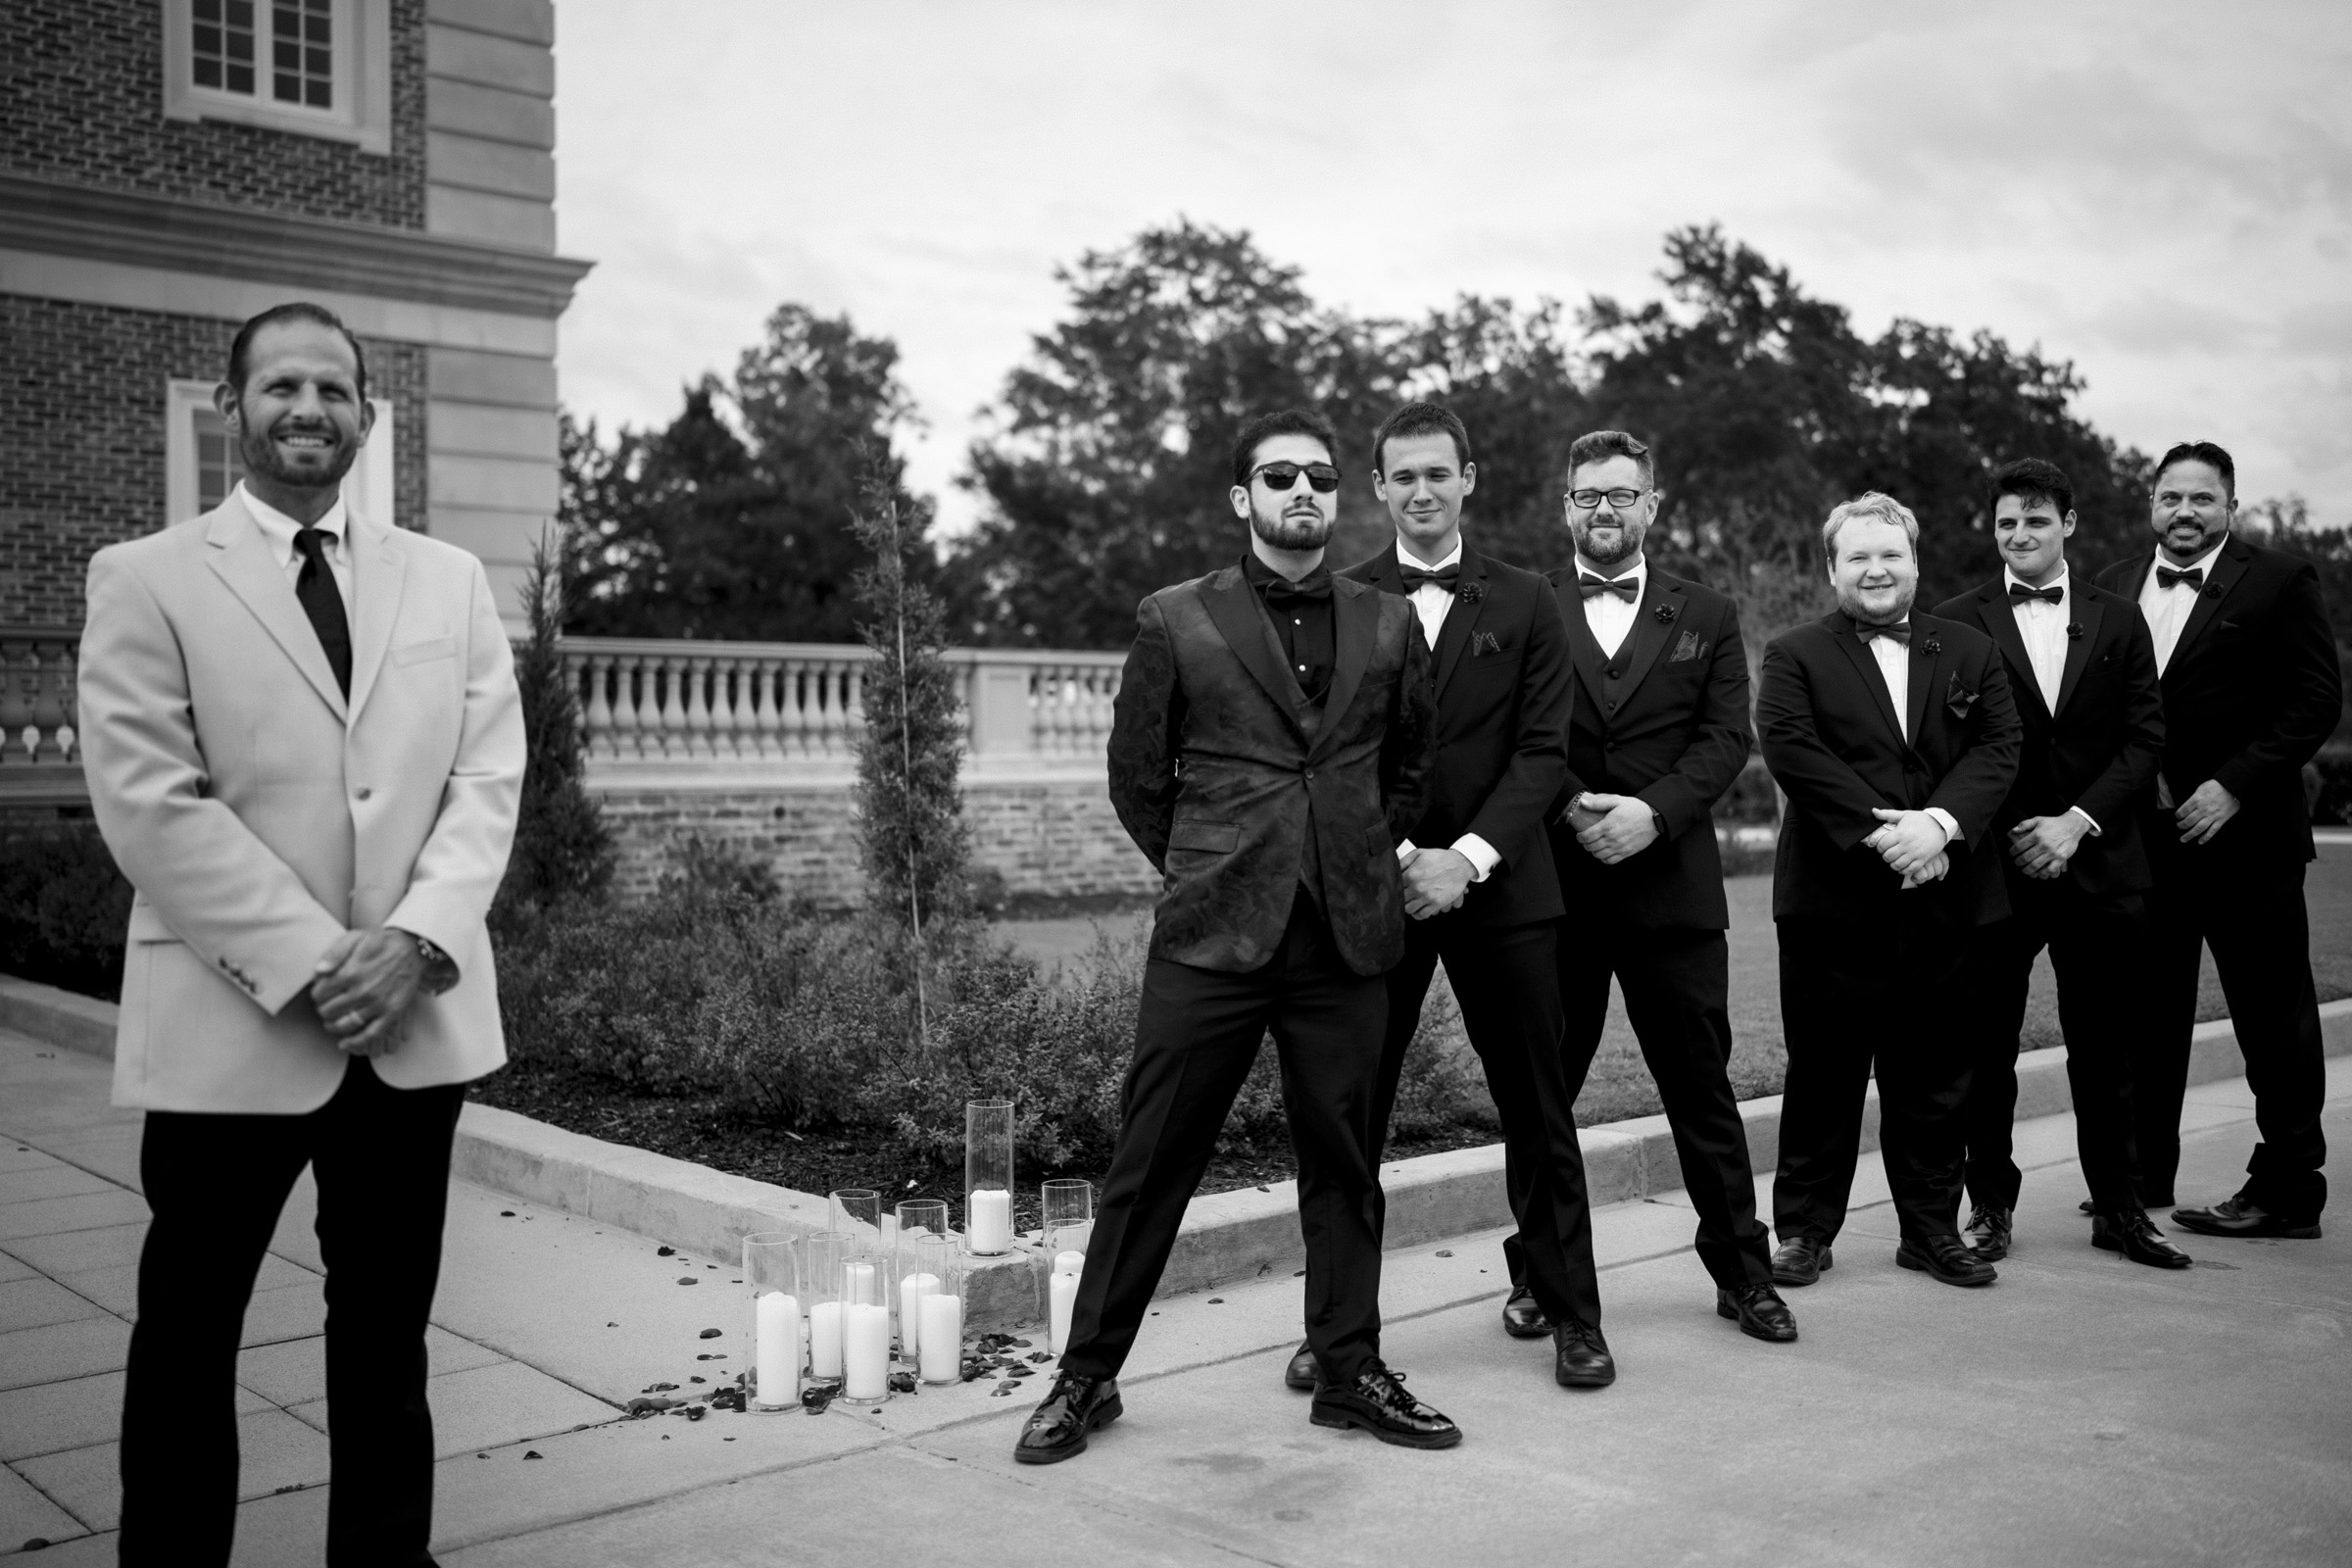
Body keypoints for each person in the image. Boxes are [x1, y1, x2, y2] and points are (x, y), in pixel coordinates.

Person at [77, 302, 525, 1568]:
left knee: (386, 1343)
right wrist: (327, 962)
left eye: (333, 389)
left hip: (414, 1025)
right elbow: (152, 808)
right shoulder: (146, 579)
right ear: (233, 409)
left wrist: (417, 942)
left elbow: (487, 777)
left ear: (368, 417)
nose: (308, 409)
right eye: (281, 386)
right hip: (236, 1025)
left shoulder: (448, 582)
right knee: (187, 1340)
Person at [1016, 409, 1446, 1464]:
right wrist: (1212, 862)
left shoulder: (1388, 623)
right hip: (1211, 937)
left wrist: (1348, 851)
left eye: (1320, 477)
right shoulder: (1174, 618)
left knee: (1345, 1163)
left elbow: (1412, 769)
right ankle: (1086, 1376)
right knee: (1151, 1161)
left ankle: (1347, 1369)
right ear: (1240, 497)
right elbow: (1136, 777)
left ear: (1341, 497)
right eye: (1279, 475)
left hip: (1344, 939)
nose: (1303, 490)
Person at [1333, 402, 1612, 1390]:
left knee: (1539, 1110)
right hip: (1383, 891)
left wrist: (1469, 856)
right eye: (1402, 476)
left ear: (1469, 478)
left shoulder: (1531, 597)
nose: (1420, 491)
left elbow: (1545, 752)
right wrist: (1411, 854)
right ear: (1378, 487)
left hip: (1507, 889)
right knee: (1351, 1115)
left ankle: (1575, 1314)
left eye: (1436, 474)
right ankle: (1342, 1334)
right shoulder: (1341, 594)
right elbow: (1339, 754)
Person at [1543, 431, 1795, 1343]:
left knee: (1702, 1091)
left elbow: (1727, 738)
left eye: (1620, 494)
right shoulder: (1531, 607)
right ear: (1566, 507)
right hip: (1555, 894)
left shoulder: (1709, 612)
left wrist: (1651, 813)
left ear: (1653, 504)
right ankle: (1540, 1272)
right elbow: (1511, 735)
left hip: (1673, 889)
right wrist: (1573, 808)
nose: (1602, 510)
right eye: (1586, 496)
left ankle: (1743, 1273)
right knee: (1544, 1096)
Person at [1758, 492, 2022, 1291]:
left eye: (1890, 555)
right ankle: (1804, 1231)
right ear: (1833, 568)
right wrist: (1890, 837)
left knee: (1937, 1077)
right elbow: (1794, 751)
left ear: (1915, 562)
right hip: (1832, 903)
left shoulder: (1972, 650)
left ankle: (1931, 1231)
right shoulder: (1794, 652)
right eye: (1858, 557)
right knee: (1823, 1077)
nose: (1876, 569)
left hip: (1947, 899)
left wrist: (1939, 826)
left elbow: (1999, 746)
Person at [1933, 459, 2187, 1268]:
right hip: (1998, 866)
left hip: (2102, 861)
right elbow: (1952, 748)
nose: (2020, 535)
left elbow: (2147, 739)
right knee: (1984, 1051)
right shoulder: (1955, 621)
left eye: (2036, 521)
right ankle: (1990, 1209)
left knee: (2110, 1050)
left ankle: (2119, 1208)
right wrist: (2015, 829)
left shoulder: (2119, 619)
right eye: (2007, 522)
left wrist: (2075, 823)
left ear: (2068, 525)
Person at [2093, 441, 2341, 1240]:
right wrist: (2136, 777)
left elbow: (2313, 702)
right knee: (2148, 1018)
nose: (2185, 513)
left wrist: (2233, 783)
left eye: (2203, 499)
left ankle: (2289, 1190)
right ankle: (2138, 1177)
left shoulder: (2280, 580)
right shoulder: (2112, 586)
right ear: (2152, 504)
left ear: (2231, 505)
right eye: (2171, 498)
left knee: (2274, 1022)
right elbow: (2102, 706)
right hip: (2146, 846)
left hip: (2250, 844)